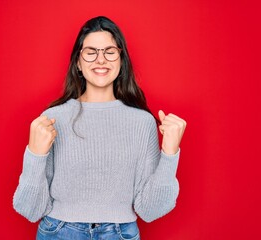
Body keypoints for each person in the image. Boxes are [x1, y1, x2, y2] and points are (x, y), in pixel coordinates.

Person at [13, 16, 186, 240]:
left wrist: (170, 154)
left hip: (120, 234)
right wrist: (35, 155)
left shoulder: (142, 122)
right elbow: (30, 209)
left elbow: (150, 210)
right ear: (78, 62)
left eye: (110, 51)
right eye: (91, 52)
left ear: (121, 60)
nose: (100, 60)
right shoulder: (53, 119)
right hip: (59, 232)